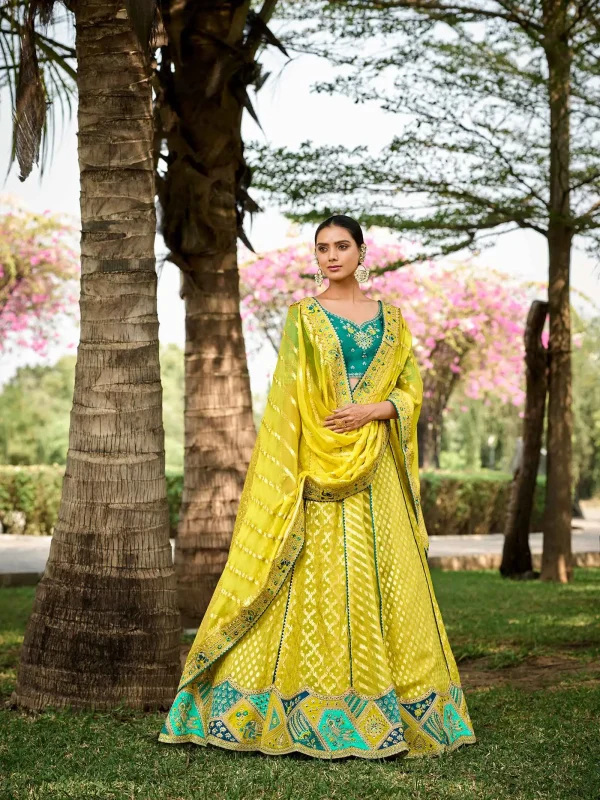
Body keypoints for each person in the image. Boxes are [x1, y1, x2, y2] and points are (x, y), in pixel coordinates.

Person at [158, 214, 477, 760]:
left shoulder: (394, 320)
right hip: (316, 471)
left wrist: (376, 409)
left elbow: (409, 388)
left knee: (390, 584)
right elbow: (289, 400)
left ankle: (396, 709)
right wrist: (297, 469)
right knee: (316, 583)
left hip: (378, 471)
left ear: (361, 251)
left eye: (341, 246)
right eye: (322, 248)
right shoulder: (302, 319)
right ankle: (296, 707)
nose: (330, 256)